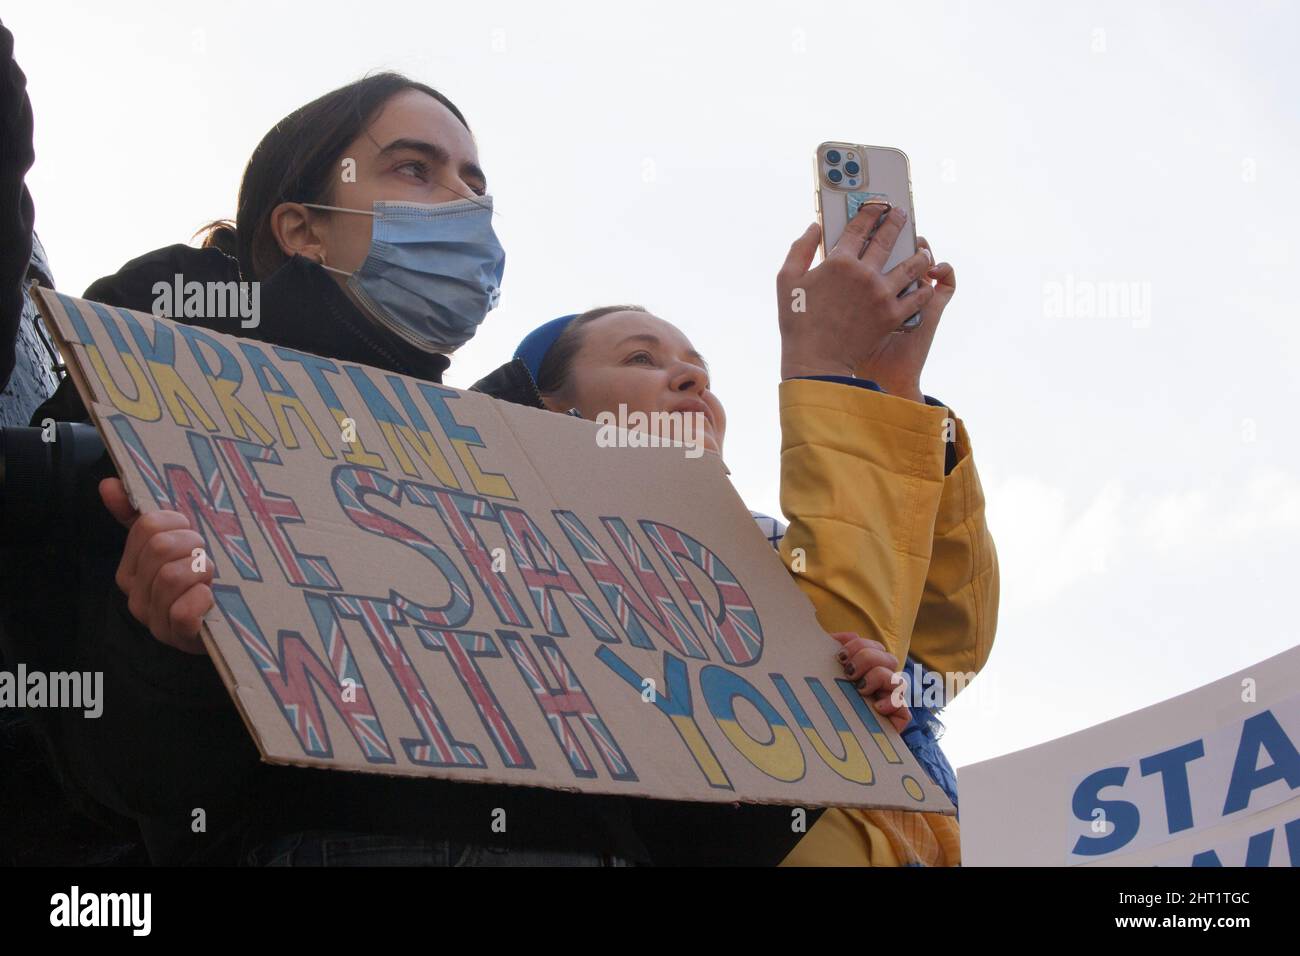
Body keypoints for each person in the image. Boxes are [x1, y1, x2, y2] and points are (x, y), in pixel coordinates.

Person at [2, 72, 652, 866]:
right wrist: (164, 657)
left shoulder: (513, 466)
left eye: (475, 184)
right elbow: (139, 790)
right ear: (304, 229)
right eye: (416, 169)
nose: (462, 203)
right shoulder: (155, 377)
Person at [472, 203, 997, 865]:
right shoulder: (536, 558)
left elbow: (945, 653)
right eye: (640, 358)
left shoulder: (779, 542)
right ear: (554, 413)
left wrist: (897, 394)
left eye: (701, 371)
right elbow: (797, 718)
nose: (692, 379)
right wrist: (828, 370)